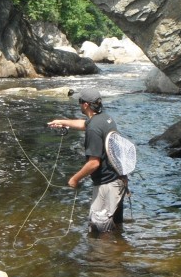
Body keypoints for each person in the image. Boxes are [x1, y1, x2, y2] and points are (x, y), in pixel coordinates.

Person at [47, 87, 126, 234]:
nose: (79, 104)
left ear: (85, 105)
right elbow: (85, 124)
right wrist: (62, 122)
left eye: (80, 101)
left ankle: (104, 256)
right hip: (118, 181)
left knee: (98, 231)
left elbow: (94, 163)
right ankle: (119, 253)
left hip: (106, 185)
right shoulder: (105, 118)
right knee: (115, 227)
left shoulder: (94, 128)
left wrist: (75, 179)